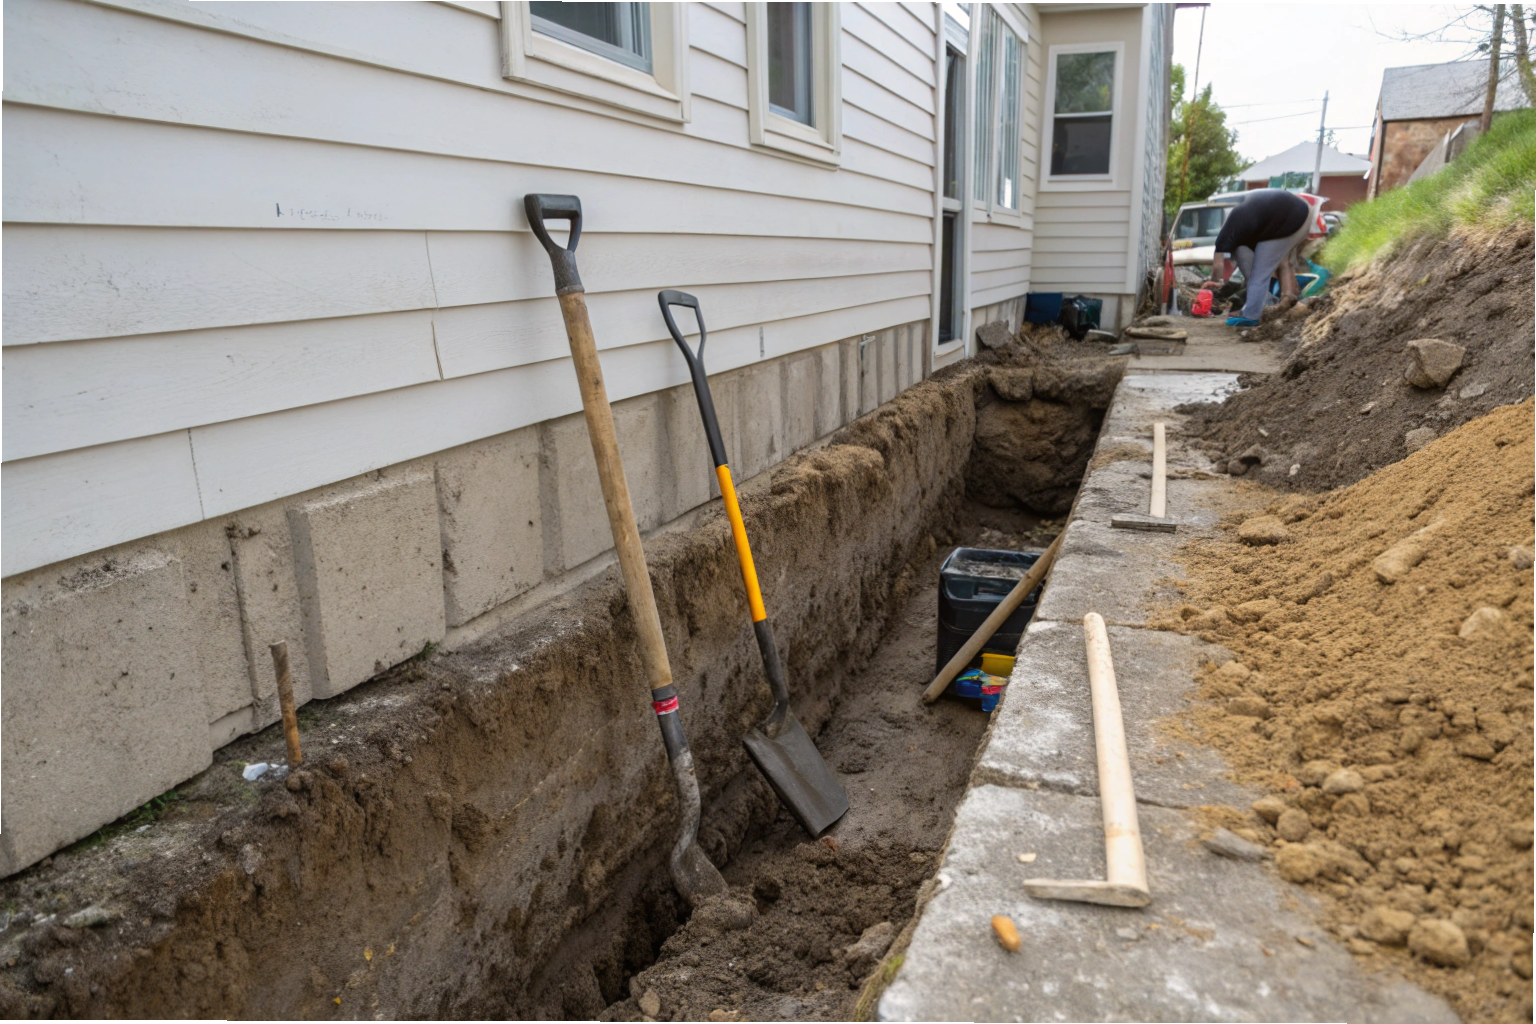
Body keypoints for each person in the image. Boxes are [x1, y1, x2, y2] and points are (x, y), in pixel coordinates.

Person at [1202, 189, 1320, 327]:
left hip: (1289, 217)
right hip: (1301, 212)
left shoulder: (1227, 234)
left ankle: (1252, 315)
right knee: (1283, 263)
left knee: (1259, 275)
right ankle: (1286, 301)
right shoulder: (1243, 222)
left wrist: (1215, 282)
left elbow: (1218, 263)